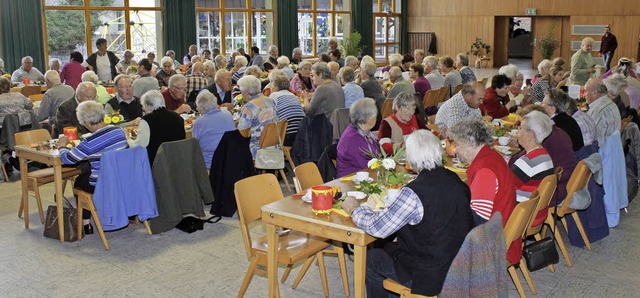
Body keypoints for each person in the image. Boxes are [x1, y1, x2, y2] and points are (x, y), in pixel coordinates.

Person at [342, 129, 473, 297]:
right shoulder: (456, 179)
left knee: (371, 258)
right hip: (458, 265)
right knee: (390, 245)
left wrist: (355, 209)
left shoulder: (414, 193)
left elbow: (377, 228)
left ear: (411, 158)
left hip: (430, 275)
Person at [58, 100, 128, 234]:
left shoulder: (89, 142)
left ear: (87, 123)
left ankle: (86, 224)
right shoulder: (118, 131)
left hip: (103, 184)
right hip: (122, 178)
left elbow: (68, 159)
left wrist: (62, 145)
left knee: (80, 182)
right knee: (86, 173)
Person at [448, 118, 517, 227]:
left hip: (491, 238)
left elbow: (479, 221)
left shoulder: (485, 171)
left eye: (458, 145)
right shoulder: (491, 156)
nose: (457, 150)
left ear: (471, 143)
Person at [517, 104, 576, 205]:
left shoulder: (545, 142)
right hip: (561, 183)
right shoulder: (556, 132)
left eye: (522, 127)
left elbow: (515, 171)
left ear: (532, 132)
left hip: (554, 190)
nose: (518, 131)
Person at [510, 111, 555, 226]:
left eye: (520, 129)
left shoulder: (528, 162)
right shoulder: (544, 155)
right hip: (537, 211)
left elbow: (505, 187)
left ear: (531, 135)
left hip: (523, 215)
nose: (517, 132)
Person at [132, 90, 185, 164]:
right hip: (177, 162)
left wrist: (129, 142)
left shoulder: (147, 120)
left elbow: (139, 146)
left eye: (143, 106)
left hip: (156, 164)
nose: (143, 109)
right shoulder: (178, 117)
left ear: (148, 105)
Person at [336, 98, 380, 177]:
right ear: (369, 119)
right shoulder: (353, 139)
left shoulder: (364, 133)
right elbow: (368, 165)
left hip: (364, 177)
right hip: (350, 181)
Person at [236, 76, 277, 158]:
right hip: (274, 145)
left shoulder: (249, 107)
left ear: (246, 92)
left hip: (257, 149)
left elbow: (242, 133)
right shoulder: (271, 101)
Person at [192, 92, 235, 169]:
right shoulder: (227, 114)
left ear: (203, 108)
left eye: (198, 108)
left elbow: (194, 145)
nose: (198, 110)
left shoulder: (199, 122)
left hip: (210, 164)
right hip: (230, 159)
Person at [269, 74, 305, 146]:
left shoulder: (273, 96)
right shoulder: (293, 96)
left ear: (276, 86)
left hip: (288, 136)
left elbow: (270, 116)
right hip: (303, 134)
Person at [585, 78, 621, 145]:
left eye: (585, 91)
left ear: (594, 92)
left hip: (601, 152)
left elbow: (587, 138)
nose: (584, 94)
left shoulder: (596, 111)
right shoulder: (611, 103)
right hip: (614, 149)